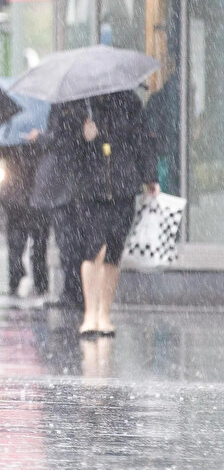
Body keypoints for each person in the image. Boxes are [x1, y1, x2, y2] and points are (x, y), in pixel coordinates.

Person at [70, 90, 158, 333]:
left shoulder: (129, 101)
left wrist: (150, 176)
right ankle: (90, 314)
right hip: (90, 189)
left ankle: (104, 314)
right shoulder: (80, 103)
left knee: (114, 251)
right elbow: (62, 146)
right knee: (93, 249)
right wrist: (83, 137)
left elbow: (142, 139)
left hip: (123, 187)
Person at [32, 103, 86, 306]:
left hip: (64, 185)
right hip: (70, 184)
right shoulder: (77, 106)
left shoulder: (67, 108)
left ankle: (73, 292)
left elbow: (62, 140)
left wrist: (40, 137)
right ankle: (74, 290)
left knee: (68, 241)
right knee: (70, 240)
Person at [0, 138, 50, 296]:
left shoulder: (13, 130)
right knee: (37, 240)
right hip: (34, 193)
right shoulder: (41, 130)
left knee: (20, 239)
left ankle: (18, 276)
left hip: (19, 194)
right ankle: (37, 280)